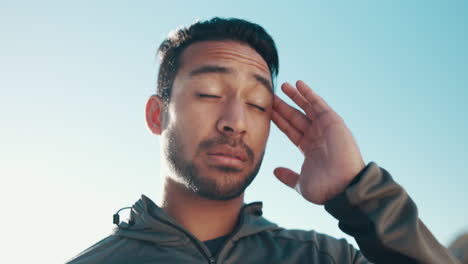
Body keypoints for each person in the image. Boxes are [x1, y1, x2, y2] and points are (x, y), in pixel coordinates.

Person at [67, 17, 460, 264]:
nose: (235, 122)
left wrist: (358, 190)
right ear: (157, 115)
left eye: (257, 104)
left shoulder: (323, 258)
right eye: (208, 93)